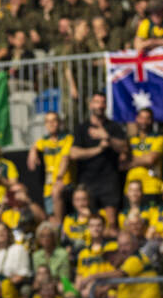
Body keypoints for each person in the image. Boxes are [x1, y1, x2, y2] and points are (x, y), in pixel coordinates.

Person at [69, 92, 126, 227]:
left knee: (111, 223)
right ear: (90, 105)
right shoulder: (82, 128)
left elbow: (125, 148)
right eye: (96, 102)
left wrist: (107, 137)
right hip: (87, 182)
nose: (100, 105)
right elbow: (74, 154)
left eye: (102, 102)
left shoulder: (113, 127)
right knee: (89, 222)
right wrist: (99, 149)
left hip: (109, 181)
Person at [27, 111, 72, 224]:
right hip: (49, 187)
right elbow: (35, 145)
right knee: (50, 218)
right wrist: (33, 151)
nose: (51, 124)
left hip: (65, 183)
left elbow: (65, 158)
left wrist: (59, 177)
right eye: (48, 121)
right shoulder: (44, 141)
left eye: (54, 120)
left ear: (60, 123)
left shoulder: (67, 138)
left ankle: (59, 230)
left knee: (59, 219)